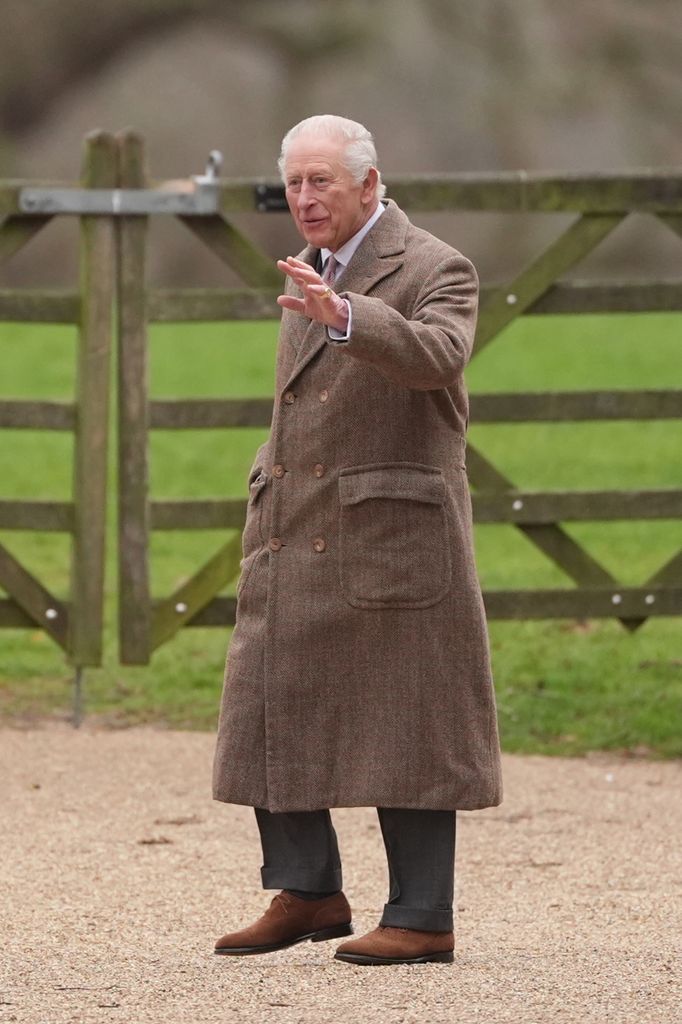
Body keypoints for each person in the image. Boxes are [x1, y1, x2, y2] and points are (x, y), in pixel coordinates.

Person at [212, 114, 502, 966]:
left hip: (395, 534)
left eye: (322, 182)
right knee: (272, 695)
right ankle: (307, 892)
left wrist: (348, 314)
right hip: (296, 523)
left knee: (410, 720)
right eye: (295, 183)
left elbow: (438, 356)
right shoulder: (312, 265)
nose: (304, 198)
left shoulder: (436, 265)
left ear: (369, 185)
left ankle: (423, 916)